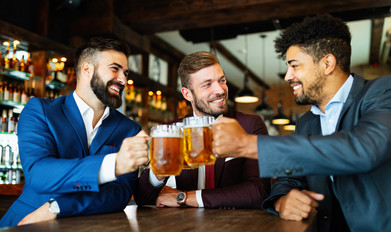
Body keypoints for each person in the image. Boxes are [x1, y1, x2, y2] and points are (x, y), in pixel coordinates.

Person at [212, 14, 391, 231]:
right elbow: (288, 179)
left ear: (327, 63)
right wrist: (283, 200)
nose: (287, 76)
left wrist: (247, 144)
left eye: (295, 66)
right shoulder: (306, 123)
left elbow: (364, 149)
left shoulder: (385, 91)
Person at [0, 37, 149, 227]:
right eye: (114, 68)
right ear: (87, 69)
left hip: (91, 227)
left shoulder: (130, 129)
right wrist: (113, 164)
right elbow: (38, 174)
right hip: (27, 222)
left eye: (125, 72)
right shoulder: (40, 111)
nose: (123, 80)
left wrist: (57, 207)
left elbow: (119, 194)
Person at [134, 51, 271, 209]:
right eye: (207, 84)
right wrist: (159, 171)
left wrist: (184, 197)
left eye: (222, 80)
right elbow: (142, 196)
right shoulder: (173, 130)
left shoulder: (250, 124)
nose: (220, 90)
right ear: (187, 94)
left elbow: (259, 191)